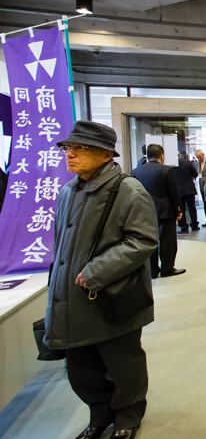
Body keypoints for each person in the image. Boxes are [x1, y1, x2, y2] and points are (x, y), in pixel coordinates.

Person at [45, 121, 159, 439]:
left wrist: (96, 272)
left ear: (106, 154)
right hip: (73, 296)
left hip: (112, 295)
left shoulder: (128, 190)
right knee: (82, 366)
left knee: (122, 361)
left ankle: (128, 416)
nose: (70, 154)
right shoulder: (68, 192)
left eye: (79, 148)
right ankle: (100, 414)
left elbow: (143, 240)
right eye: (68, 147)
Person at [131, 144, 186, 278]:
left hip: (144, 212)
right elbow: (173, 192)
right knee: (168, 241)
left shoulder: (136, 171)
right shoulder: (167, 170)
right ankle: (167, 269)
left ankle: (152, 270)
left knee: (149, 241)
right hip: (165, 211)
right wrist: (178, 209)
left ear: (147, 156)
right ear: (162, 156)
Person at [175, 153, 199, 233]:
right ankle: (194, 225)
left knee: (181, 209)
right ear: (179, 155)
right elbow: (195, 173)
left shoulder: (171, 165)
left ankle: (184, 227)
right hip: (189, 189)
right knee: (192, 207)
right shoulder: (187, 162)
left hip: (178, 190)